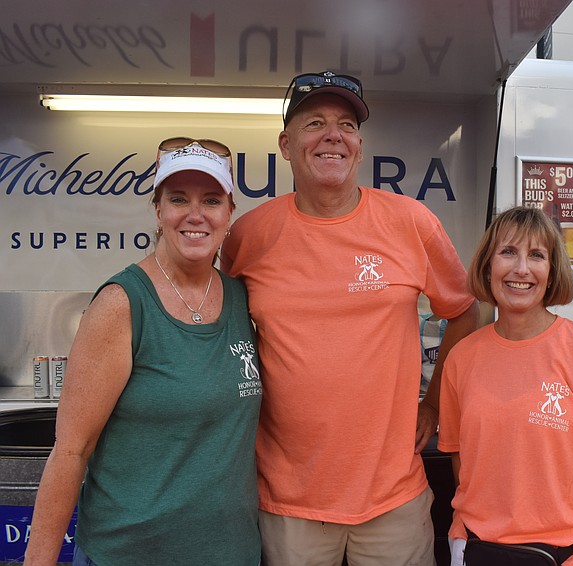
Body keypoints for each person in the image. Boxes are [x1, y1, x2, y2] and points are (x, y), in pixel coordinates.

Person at [221, 71, 479, 566]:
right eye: (314, 122)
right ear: (287, 144)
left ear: (359, 147)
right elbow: (221, 333)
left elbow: (466, 311)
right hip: (288, 501)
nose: (332, 135)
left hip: (393, 500)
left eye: (346, 124)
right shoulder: (249, 235)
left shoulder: (411, 222)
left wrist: (434, 402)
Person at [24, 137, 262, 565]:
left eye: (210, 200)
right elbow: (71, 451)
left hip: (231, 553)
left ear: (230, 213)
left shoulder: (244, 298)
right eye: (177, 199)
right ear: (157, 210)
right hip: (129, 554)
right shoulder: (122, 303)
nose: (194, 215)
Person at [438, 206, 573, 566]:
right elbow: (463, 464)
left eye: (537, 255)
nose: (521, 269)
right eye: (508, 252)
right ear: (488, 265)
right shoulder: (461, 358)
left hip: (565, 556)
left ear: (552, 273)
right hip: (474, 549)